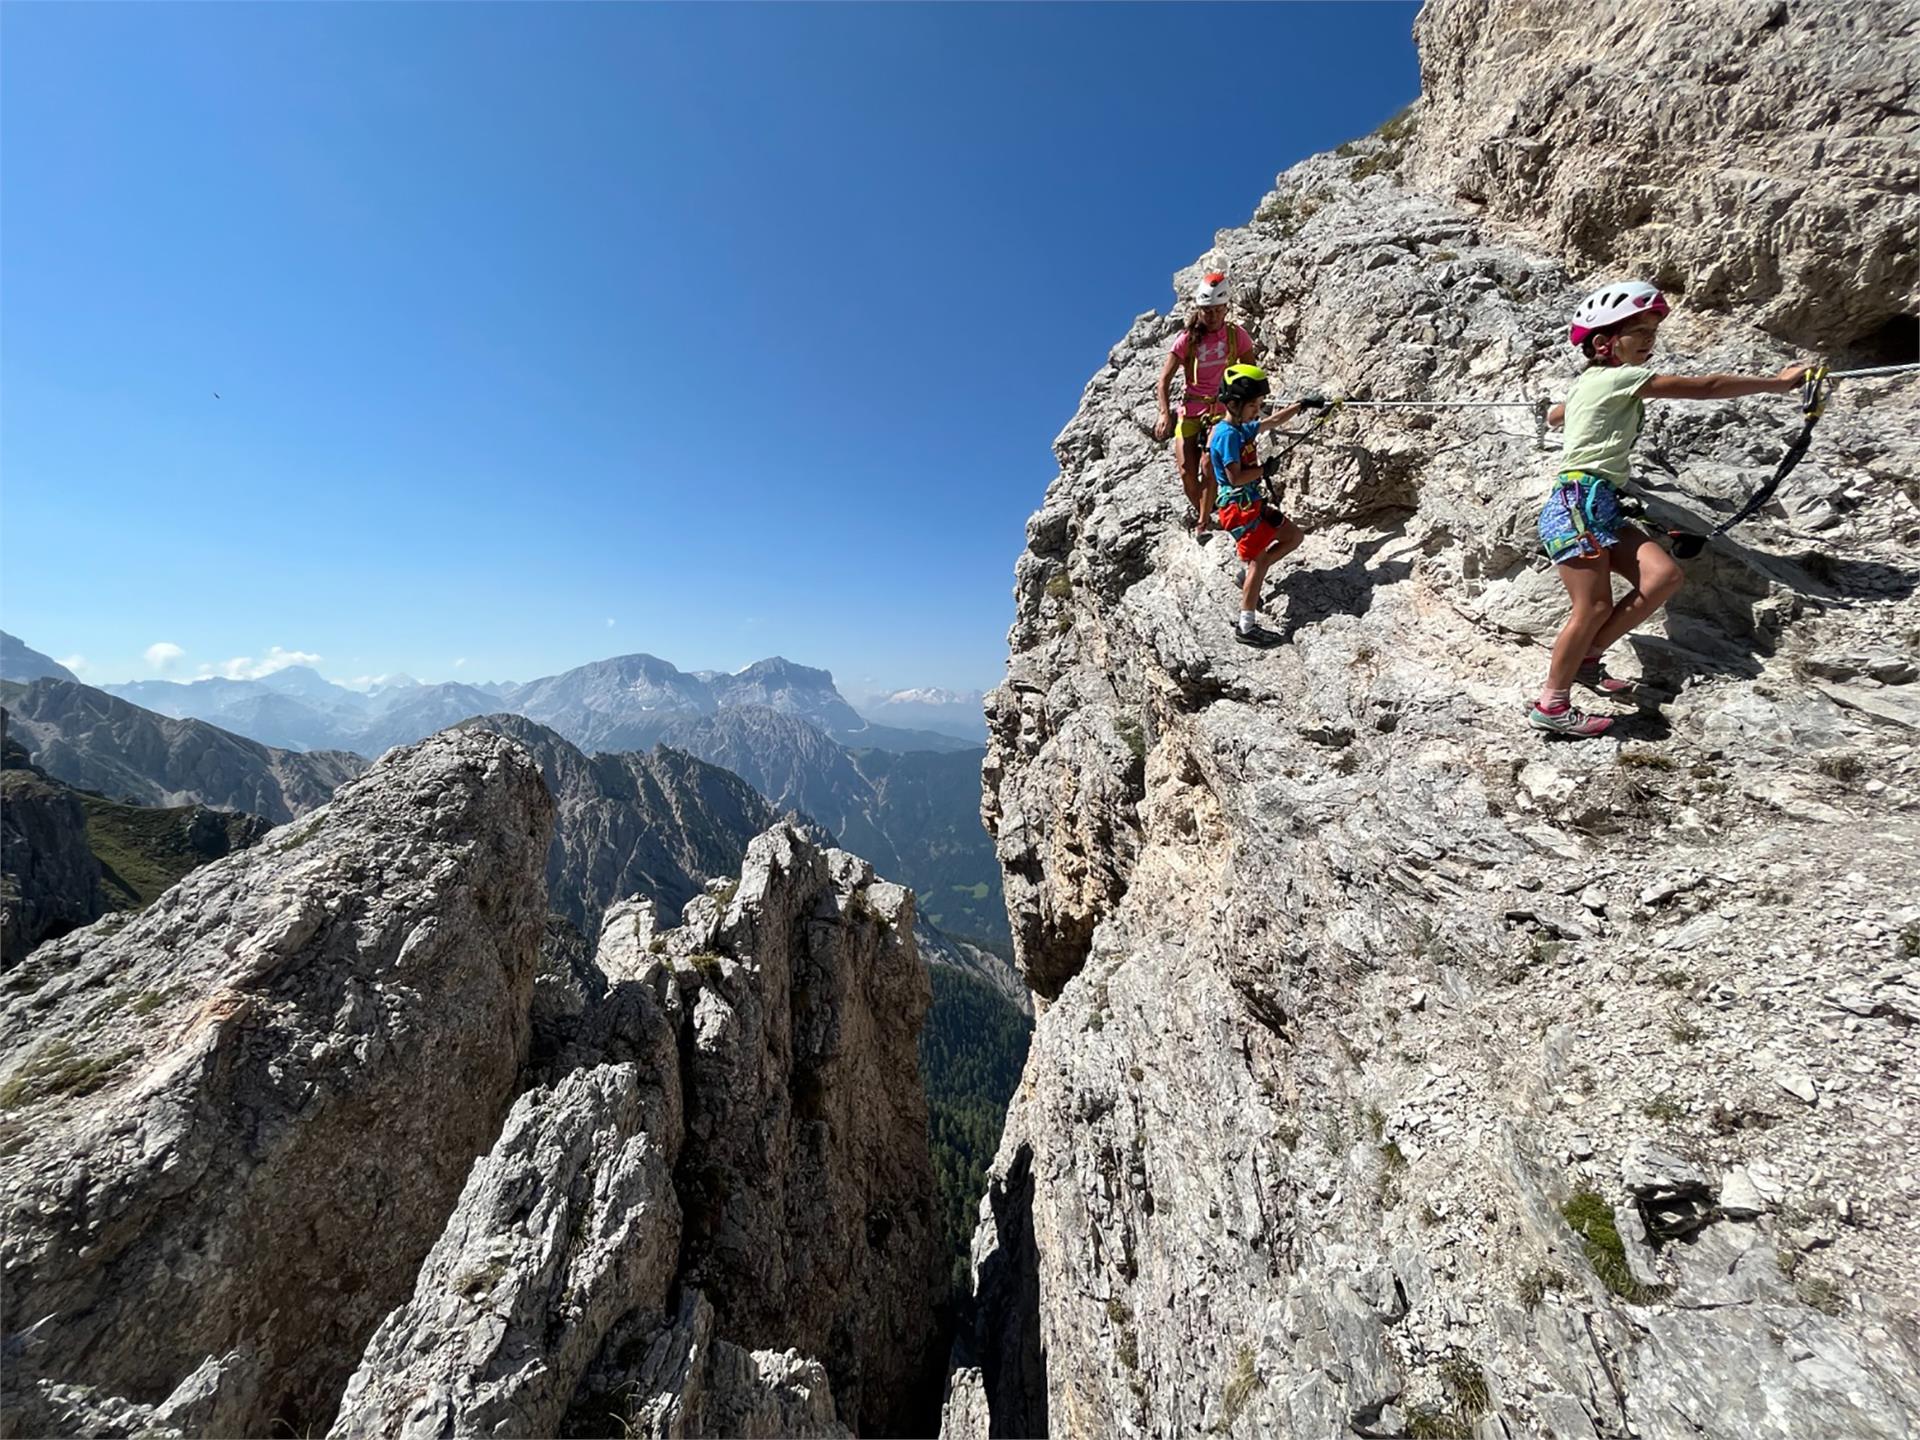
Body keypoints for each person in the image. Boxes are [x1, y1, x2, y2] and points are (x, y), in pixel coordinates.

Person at [1531, 281, 1808, 736]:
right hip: (1578, 500)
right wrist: (1776, 384)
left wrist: (1555, 414)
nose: (1649, 338)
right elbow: (1706, 386)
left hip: (1596, 502)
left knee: (1663, 576)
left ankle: (1586, 660)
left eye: (1652, 331)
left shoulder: (1590, 383)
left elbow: (1558, 415)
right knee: (1593, 605)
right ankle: (1552, 704)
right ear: (1603, 343)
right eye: (1637, 330)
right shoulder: (1619, 378)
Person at [1207, 364, 1324, 646]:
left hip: (1251, 503)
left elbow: (1271, 422)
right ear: (1234, 403)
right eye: (1253, 405)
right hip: (1237, 508)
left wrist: (1302, 405)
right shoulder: (1226, 435)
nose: (1257, 410)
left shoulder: (1241, 427)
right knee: (1259, 560)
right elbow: (1234, 478)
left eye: (1259, 404)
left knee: (1293, 536)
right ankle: (1246, 627)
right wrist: (1264, 471)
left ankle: (1250, 576)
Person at [1154, 272, 1259, 537]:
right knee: (1186, 472)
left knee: (1207, 464)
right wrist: (1164, 413)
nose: (1211, 316)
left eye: (1216, 310)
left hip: (1222, 410)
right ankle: (1208, 507)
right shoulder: (1187, 339)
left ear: (1225, 309)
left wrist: (1246, 407)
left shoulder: (1237, 337)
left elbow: (1251, 373)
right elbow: (1163, 380)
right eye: (1206, 310)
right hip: (1190, 409)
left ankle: (1203, 521)